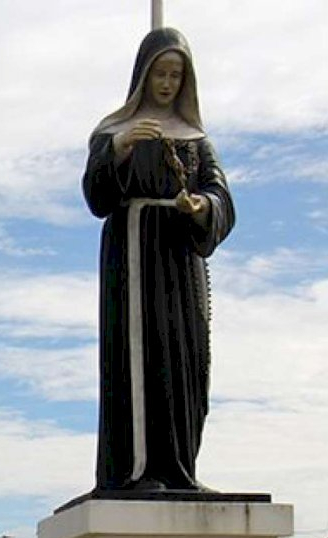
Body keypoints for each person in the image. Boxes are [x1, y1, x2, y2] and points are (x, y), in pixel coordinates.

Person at [82, 27, 234, 493]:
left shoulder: (196, 140)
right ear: (143, 75)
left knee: (184, 358)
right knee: (139, 355)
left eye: (176, 75)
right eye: (160, 73)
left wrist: (202, 207)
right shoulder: (112, 131)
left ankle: (180, 468)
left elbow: (221, 195)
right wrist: (121, 149)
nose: (167, 83)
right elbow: (96, 196)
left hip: (180, 259)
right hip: (133, 258)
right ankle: (137, 471)